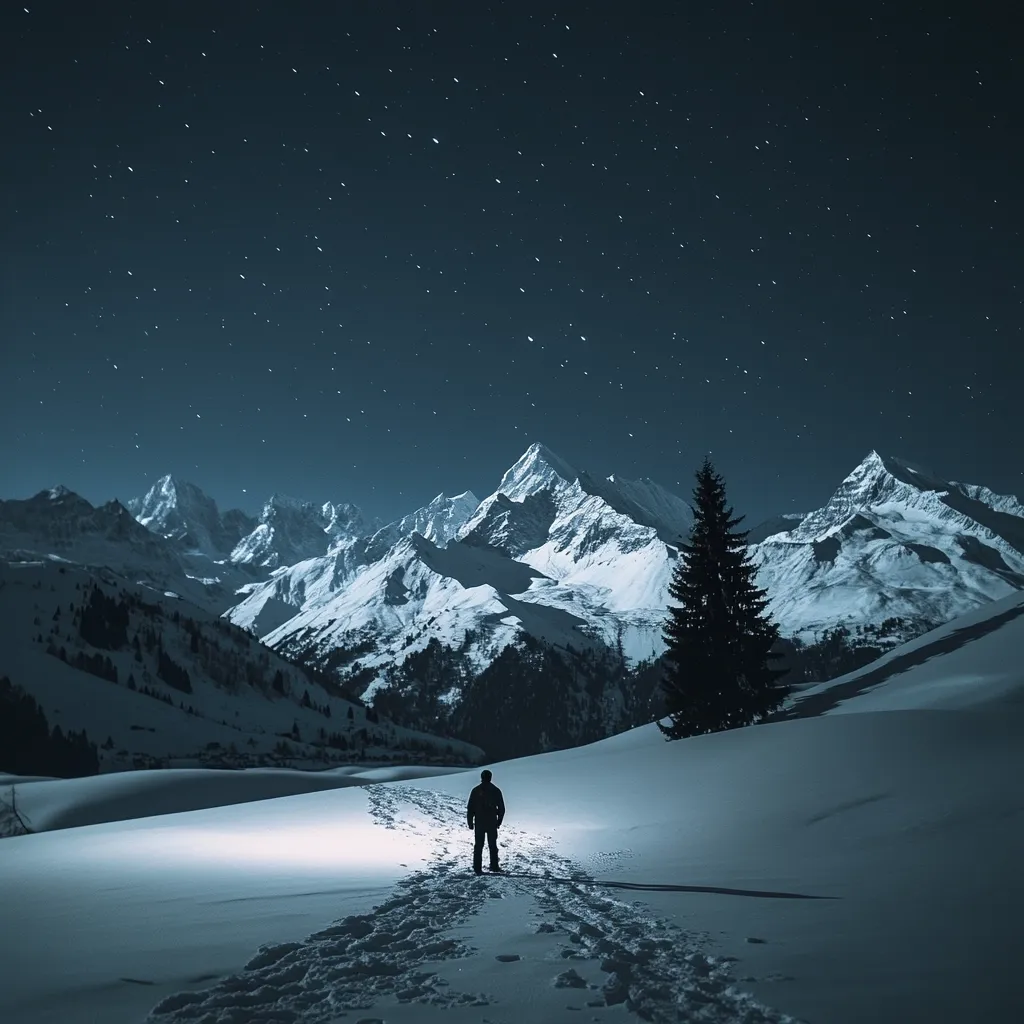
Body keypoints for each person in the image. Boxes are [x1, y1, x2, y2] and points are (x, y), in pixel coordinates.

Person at [466, 769, 505, 874]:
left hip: (480, 822)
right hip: (491, 822)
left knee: (479, 845)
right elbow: (501, 808)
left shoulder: (476, 790)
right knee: (492, 845)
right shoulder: (495, 790)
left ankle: (477, 867)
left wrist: (470, 822)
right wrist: (499, 821)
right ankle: (494, 866)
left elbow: (470, 808)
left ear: (481, 777)